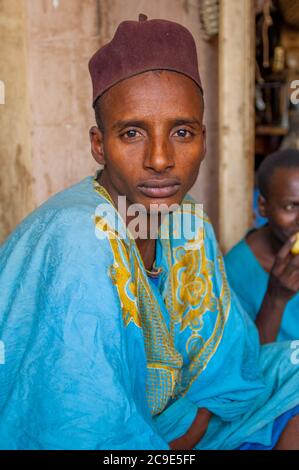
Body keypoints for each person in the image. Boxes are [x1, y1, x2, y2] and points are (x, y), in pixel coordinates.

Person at [0, 15, 299, 450]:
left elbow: (230, 361)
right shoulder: (78, 238)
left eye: (181, 131)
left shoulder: (188, 220)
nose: (160, 158)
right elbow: (80, 421)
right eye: (132, 132)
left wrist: (194, 428)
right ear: (99, 144)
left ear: (203, 140)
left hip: (185, 421)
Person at [225, 149, 299, 343]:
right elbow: (246, 364)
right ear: (262, 206)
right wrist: (276, 298)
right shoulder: (233, 271)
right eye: (291, 206)